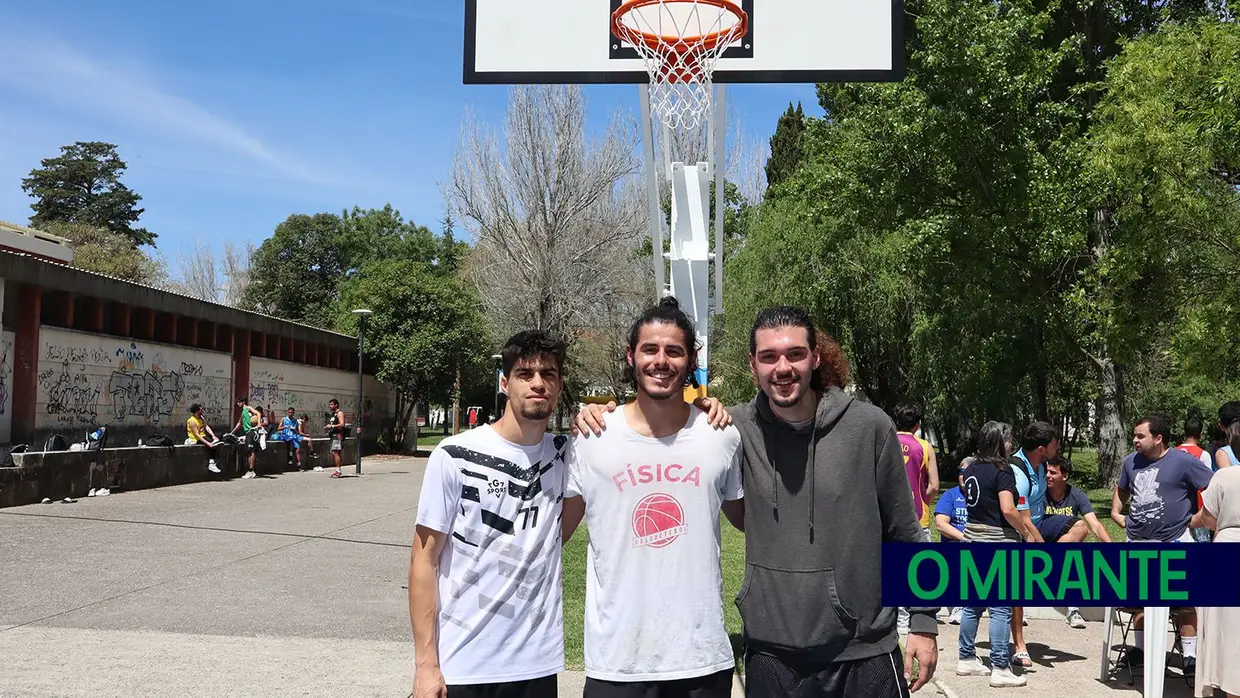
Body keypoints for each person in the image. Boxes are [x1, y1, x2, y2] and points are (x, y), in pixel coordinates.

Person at [577, 306, 939, 696]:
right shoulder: (732, 430)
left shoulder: (870, 426)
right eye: (769, 357)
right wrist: (598, 413)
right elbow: (673, 427)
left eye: (795, 354)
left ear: (815, 357)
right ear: (754, 364)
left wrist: (924, 622)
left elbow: (906, 529)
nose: (782, 367)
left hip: (863, 651)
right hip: (771, 655)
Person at [562, 297, 744, 698]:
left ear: (691, 359)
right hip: (617, 662)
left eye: (673, 351)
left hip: (701, 660)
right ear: (631, 355)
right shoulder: (591, 438)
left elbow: (754, 521)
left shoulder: (722, 436)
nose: (661, 361)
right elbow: (550, 536)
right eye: (650, 349)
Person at [409, 330, 570, 698]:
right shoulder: (454, 455)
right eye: (525, 374)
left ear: (560, 386)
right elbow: (424, 559)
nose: (538, 384)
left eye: (548, 374)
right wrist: (425, 664)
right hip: (464, 663)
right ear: (504, 382)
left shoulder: (567, 455)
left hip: (537, 665)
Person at [1111, 414, 1215, 674]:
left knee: (1184, 599)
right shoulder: (1130, 462)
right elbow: (1122, 488)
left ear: (1158, 438)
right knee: (1140, 599)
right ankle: (1141, 650)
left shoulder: (1183, 461)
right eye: (1134, 435)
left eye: (1140, 436)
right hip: (1137, 542)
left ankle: (1190, 655)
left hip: (1175, 541)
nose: (1134, 440)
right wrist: (1115, 511)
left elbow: (1214, 487)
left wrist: (1200, 519)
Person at [955, 421, 1028, 688]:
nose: (1011, 446)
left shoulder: (972, 467)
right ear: (1001, 443)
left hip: (973, 539)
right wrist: (1024, 532)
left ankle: (966, 657)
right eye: (1009, 441)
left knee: (973, 603)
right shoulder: (1002, 469)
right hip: (998, 541)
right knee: (1000, 607)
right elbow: (1008, 509)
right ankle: (1000, 665)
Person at [1190, 441, 1240, 698]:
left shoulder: (1224, 476)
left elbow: (1208, 519)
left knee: (1226, 626)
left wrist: (1189, 519)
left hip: (1226, 548)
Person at [1043, 456, 1111, 629]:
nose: (1047, 476)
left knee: (1081, 529)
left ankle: (1072, 610)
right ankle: (1072, 609)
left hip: (1062, 551)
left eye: (1052, 472)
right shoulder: (1039, 493)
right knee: (1079, 530)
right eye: (1046, 472)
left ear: (1064, 476)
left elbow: (1095, 524)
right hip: (1039, 543)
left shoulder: (1076, 495)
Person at [892, 403, 939, 637]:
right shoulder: (924, 446)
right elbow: (934, 486)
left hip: (889, 517)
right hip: (918, 518)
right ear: (917, 425)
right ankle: (915, 621)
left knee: (893, 569)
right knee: (918, 571)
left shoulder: (885, 442)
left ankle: (897, 622)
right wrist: (923, 498)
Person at [933, 484, 968, 625]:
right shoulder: (950, 495)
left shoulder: (984, 494)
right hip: (954, 541)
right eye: (961, 472)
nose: (964, 476)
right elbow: (941, 524)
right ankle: (958, 607)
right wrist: (966, 538)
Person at [186, 403, 221, 473]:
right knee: (213, 444)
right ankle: (211, 464)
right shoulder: (192, 421)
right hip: (196, 439)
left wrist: (213, 436)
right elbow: (197, 435)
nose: (202, 411)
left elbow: (206, 427)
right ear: (197, 411)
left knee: (219, 435)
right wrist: (208, 443)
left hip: (203, 436)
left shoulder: (201, 418)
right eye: (201, 409)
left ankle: (215, 458)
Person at [233, 398, 262, 479]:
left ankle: (251, 471)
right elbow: (239, 423)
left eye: (239, 402)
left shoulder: (248, 408)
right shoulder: (242, 413)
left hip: (251, 432)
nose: (237, 404)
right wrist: (232, 433)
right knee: (248, 452)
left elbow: (258, 413)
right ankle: (250, 470)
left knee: (250, 451)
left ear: (243, 402)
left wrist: (259, 423)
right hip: (247, 433)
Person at [325, 399, 346, 478]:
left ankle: (338, 471)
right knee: (335, 453)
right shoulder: (334, 414)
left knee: (335, 452)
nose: (330, 406)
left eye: (331, 404)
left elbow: (342, 424)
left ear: (336, 405)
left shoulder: (339, 413)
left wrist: (332, 426)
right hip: (333, 435)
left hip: (337, 436)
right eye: (329, 404)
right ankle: (338, 470)